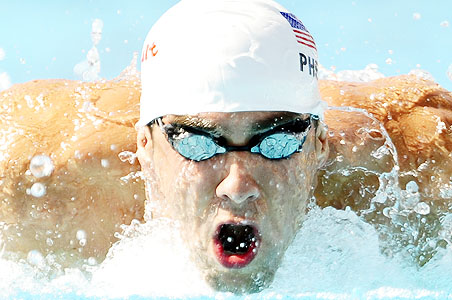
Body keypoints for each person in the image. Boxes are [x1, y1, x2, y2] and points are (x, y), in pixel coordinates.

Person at [135, 0, 328, 293]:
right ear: (145, 147)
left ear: (319, 145)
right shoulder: (60, 195)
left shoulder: (407, 185)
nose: (237, 188)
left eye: (278, 142)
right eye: (196, 143)